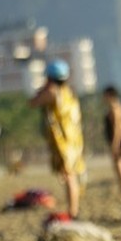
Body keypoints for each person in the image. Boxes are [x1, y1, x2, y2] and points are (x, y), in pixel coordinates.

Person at [29, 60, 84, 219]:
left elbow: (33, 103)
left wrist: (42, 89)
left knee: (69, 176)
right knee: (69, 175)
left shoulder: (51, 92)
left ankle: (73, 211)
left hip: (63, 141)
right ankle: (73, 209)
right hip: (73, 140)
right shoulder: (68, 92)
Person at [102, 86, 121, 190]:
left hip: (118, 142)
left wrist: (115, 144)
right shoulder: (119, 107)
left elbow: (118, 128)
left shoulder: (115, 109)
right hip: (120, 141)